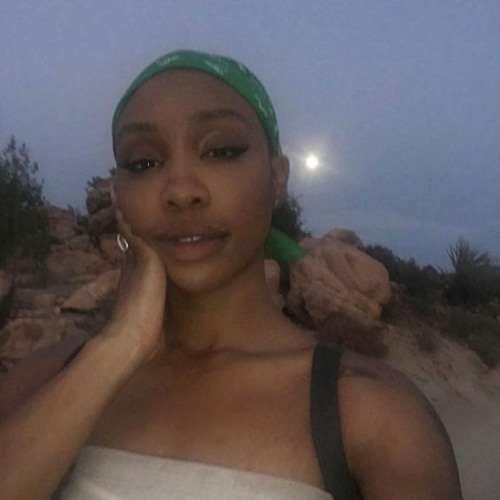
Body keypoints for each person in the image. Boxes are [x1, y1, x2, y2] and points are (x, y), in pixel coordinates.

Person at [0, 50, 462, 499]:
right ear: (118, 194)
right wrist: (117, 348)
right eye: (143, 162)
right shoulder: (46, 378)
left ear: (277, 179)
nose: (181, 191)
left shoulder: (368, 413)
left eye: (221, 151)